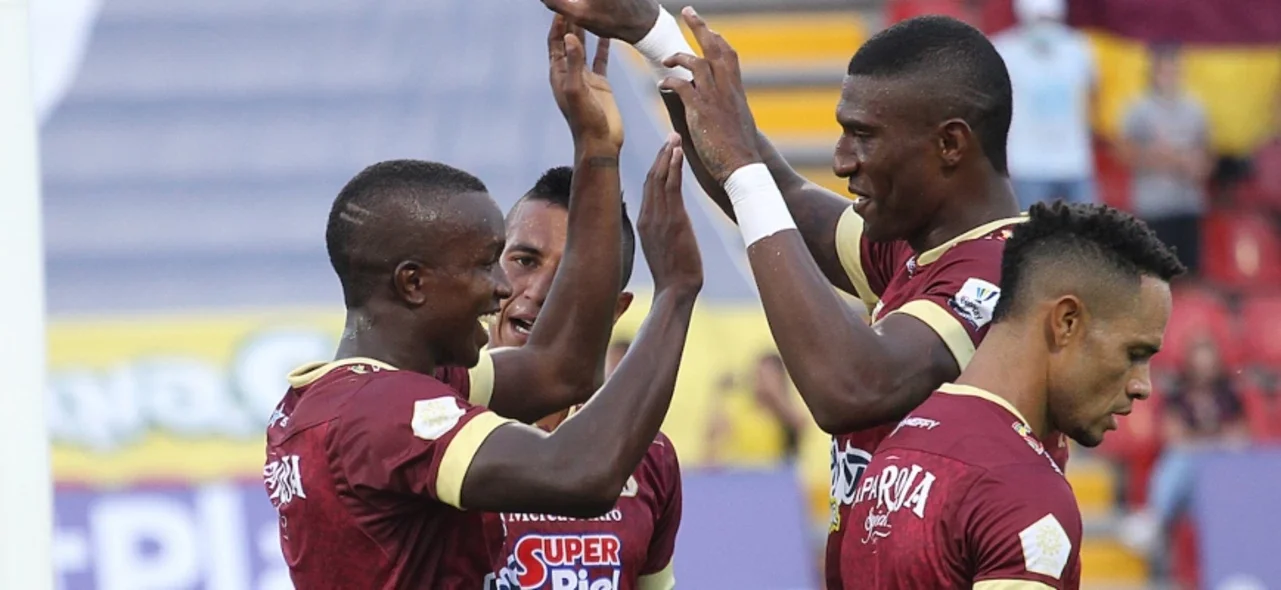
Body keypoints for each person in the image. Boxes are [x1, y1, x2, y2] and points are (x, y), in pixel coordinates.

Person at [534, 4, 1068, 586]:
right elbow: (778, 192)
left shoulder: (1004, 274)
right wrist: (653, 34)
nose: (841, 160)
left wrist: (742, 167)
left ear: (950, 144)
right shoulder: (914, 248)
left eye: (863, 136)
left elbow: (851, 389)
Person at [262, 17, 704, 589]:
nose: (499, 289)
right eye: (483, 265)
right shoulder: (384, 413)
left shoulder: (347, 397)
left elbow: (561, 370)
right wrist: (674, 294)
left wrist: (596, 148)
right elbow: (582, 475)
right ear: (413, 283)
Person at [842, 201, 1184, 589]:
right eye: (1134, 354)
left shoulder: (894, 449)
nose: (1143, 386)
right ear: (1066, 321)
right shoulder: (1021, 489)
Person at [482, 154, 684, 590]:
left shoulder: (648, 454)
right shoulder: (428, 422)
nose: (537, 293)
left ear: (616, 309)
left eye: (571, 276)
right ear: (489, 273)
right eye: (524, 261)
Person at [993, 0, 1098, 209]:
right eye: (1039, 19)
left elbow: (1091, 95)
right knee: (1032, 236)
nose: (1045, 26)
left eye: (1050, 19)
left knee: (1088, 236)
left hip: (1075, 162)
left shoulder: (1078, 47)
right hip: (1026, 165)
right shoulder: (1003, 49)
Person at [1117, 43, 1212, 274]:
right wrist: (1159, 157)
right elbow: (1123, 153)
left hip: (1189, 204)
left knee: (1190, 276)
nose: (1170, 76)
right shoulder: (1137, 109)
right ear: (1153, 72)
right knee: (1156, 276)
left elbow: (1208, 157)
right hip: (1154, 207)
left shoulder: (1195, 108)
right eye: (1165, 70)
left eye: (1175, 70)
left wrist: (1196, 165)